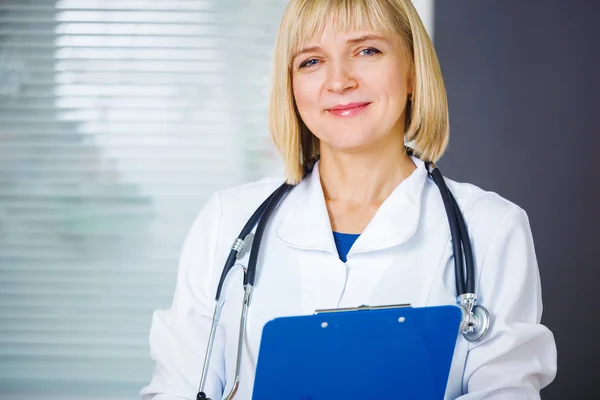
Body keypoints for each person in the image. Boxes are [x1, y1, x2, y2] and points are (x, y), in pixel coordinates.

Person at [140, 0, 557, 398]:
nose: (339, 81)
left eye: (367, 50)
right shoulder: (227, 220)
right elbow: (176, 387)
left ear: (413, 72)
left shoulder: (492, 228)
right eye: (311, 61)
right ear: (291, 86)